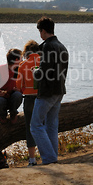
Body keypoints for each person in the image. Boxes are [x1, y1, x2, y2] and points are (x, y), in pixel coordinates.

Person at [30, 16, 69, 165]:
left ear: (43, 31)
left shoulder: (47, 46)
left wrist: (35, 72)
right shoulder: (62, 46)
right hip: (59, 90)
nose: (40, 34)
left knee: (35, 125)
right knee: (52, 125)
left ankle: (49, 158)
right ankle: (53, 157)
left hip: (47, 91)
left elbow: (44, 71)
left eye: (40, 31)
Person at [16, 40, 41, 166]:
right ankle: (47, 154)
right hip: (42, 98)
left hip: (29, 99)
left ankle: (32, 160)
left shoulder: (23, 65)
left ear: (26, 52)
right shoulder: (44, 62)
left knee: (30, 128)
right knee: (43, 126)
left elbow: (19, 85)